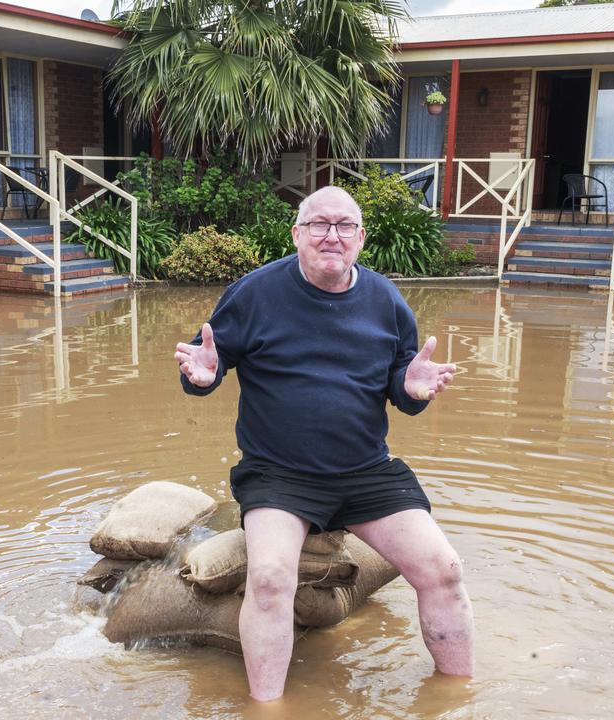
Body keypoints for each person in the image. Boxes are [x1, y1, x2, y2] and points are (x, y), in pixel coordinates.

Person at [174, 185, 474, 702]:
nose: (331, 236)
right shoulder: (255, 293)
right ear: (297, 235)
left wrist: (412, 387)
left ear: (361, 237)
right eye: (318, 224)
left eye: (344, 226)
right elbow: (207, 358)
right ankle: (266, 710)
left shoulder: (386, 300)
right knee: (269, 580)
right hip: (278, 474)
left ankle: (460, 696)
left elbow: (404, 387)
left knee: (444, 569)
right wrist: (203, 374)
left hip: (366, 471)